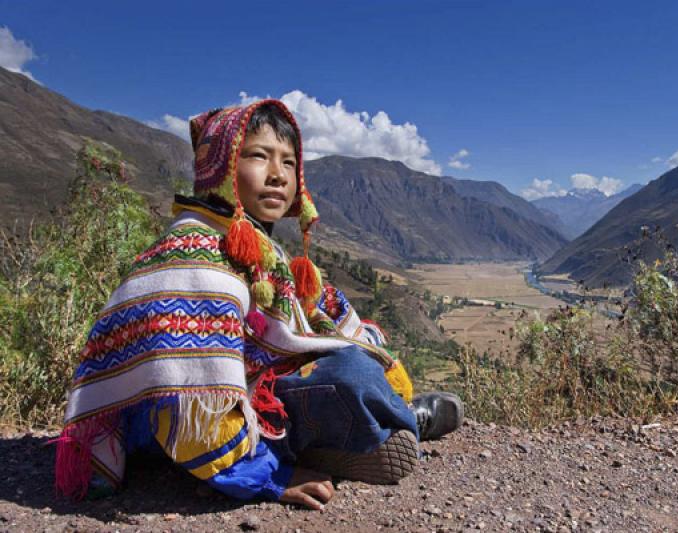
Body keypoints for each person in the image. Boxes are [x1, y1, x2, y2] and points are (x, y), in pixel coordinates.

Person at [55, 99, 463, 511]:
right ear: (221, 167)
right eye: (258, 156)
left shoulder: (254, 246)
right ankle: (393, 424)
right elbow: (193, 389)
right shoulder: (195, 255)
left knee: (358, 347)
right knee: (351, 372)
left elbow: (317, 316)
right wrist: (268, 478)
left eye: (288, 163)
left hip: (238, 406)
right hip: (177, 433)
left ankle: (360, 429)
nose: (277, 176)